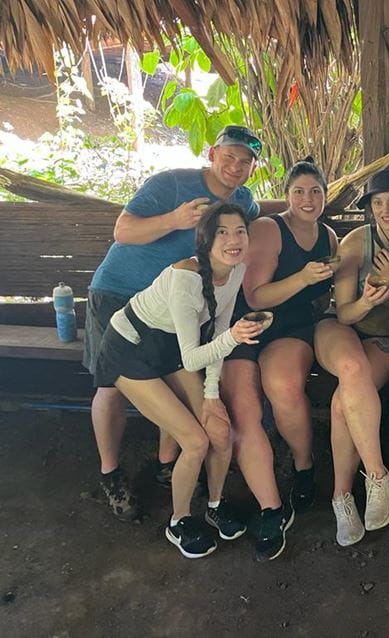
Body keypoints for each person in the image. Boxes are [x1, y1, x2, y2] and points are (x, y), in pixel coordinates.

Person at [83, 125, 270, 521]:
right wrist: (175, 219)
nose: (236, 165)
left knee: (177, 380)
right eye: (229, 155)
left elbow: (242, 237)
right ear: (211, 153)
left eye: (246, 160)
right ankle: (111, 472)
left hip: (179, 312)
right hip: (121, 295)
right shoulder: (170, 184)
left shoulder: (245, 204)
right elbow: (123, 230)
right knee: (112, 389)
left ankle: (168, 463)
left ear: (253, 167)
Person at [93, 203, 265, 558]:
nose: (233, 240)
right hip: (132, 349)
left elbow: (218, 332)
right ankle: (180, 522)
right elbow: (200, 352)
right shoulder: (185, 278)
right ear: (205, 240)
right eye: (222, 232)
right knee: (196, 441)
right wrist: (234, 336)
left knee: (221, 430)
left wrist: (212, 394)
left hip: (170, 348)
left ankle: (215, 505)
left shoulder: (235, 271)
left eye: (240, 231)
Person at [220, 157, 337, 561]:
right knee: (242, 405)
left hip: (294, 328)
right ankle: (263, 502)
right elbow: (255, 296)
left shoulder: (330, 236)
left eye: (316, 191)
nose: (308, 199)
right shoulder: (270, 229)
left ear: (326, 196)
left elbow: (325, 295)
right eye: (299, 191)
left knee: (284, 385)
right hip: (248, 323)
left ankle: (304, 468)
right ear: (287, 195)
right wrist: (304, 277)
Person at [313, 169, 389, 546]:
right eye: (377, 202)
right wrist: (365, 302)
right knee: (350, 366)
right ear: (369, 209)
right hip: (340, 330)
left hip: (388, 338)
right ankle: (378, 477)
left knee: (342, 402)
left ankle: (341, 498)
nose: (386, 209)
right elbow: (343, 312)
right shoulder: (356, 243)